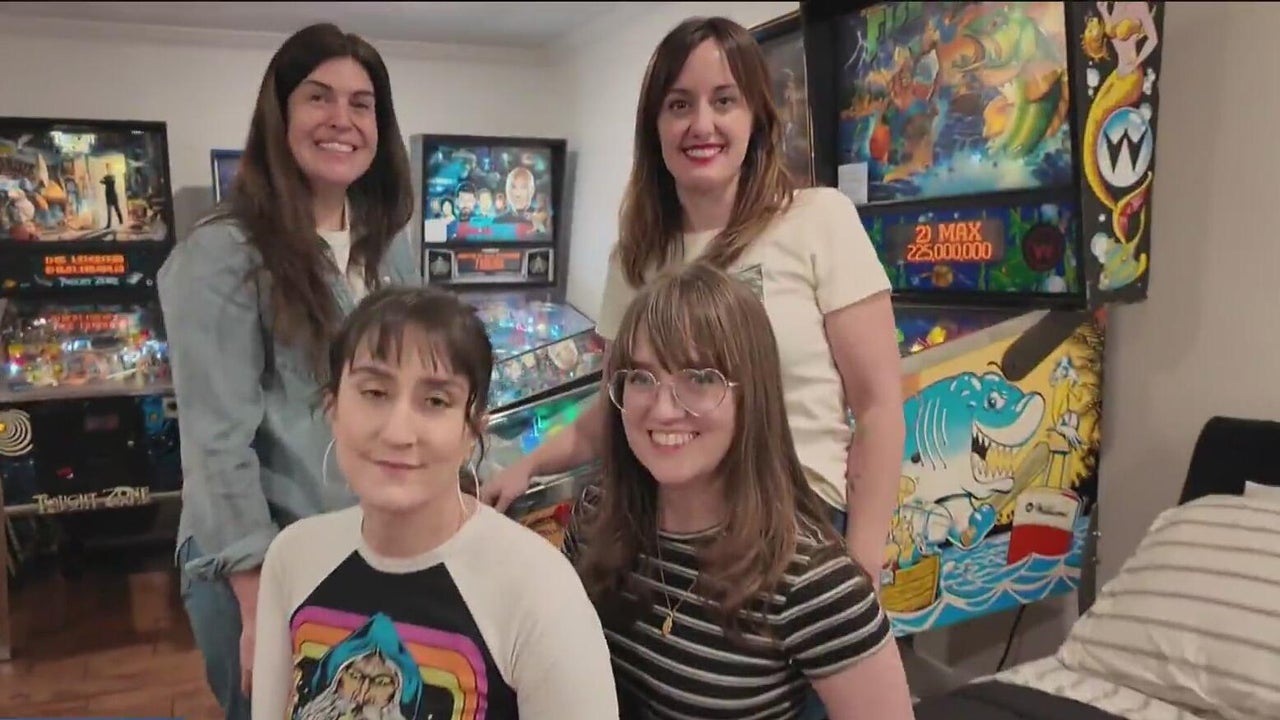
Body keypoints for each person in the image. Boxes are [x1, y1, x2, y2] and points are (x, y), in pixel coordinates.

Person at [483, 15, 905, 592]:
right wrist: (528, 466)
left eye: (724, 101)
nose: (701, 124)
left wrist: (863, 561)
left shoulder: (819, 220)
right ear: (654, 126)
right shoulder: (635, 257)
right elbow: (617, 407)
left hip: (796, 530)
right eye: (679, 105)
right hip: (667, 531)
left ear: (756, 116)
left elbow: (879, 408)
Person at [158, 23, 421, 720]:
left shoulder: (387, 249)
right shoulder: (223, 254)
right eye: (318, 97)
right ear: (279, 115)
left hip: (364, 543)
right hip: (262, 563)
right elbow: (216, 445)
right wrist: (257, 604)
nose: (342, 119)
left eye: (361, 104)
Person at [565, 262, 915, 720]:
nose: (664, 409)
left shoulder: (814, 581)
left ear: (751, 394)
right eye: (642, 378)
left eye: (700, 378)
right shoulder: (596, 515)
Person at [252, 286, 620, 720]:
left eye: (435, 401)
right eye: (375, 392)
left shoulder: (540, 591)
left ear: (472, 429)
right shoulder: (293, 557)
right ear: (333, 409)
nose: (398, 432)